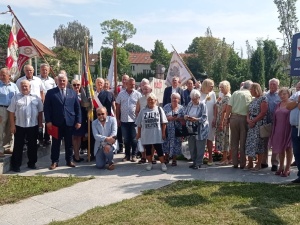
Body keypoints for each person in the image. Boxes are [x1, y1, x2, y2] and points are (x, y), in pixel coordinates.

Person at [44, 73, 82, 170]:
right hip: (56, 123)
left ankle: (69, 160)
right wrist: (48, 121)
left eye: (63, 80)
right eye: (60, 80)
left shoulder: (72, 93)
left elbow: (77, 108)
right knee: (56, 143)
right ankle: (54, 161)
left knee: (69, 143)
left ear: (66, 81)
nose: (62, 82)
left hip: (69, 122)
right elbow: (46, 108)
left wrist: (78, 121)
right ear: (57, 81)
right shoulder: (51, 93)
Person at [7, 80, 43, 172]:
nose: (24, 87)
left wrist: (40, 125)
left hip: (33, 125)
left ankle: (32, 163)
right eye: (22, 86)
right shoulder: (16, 97)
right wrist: (12, 125)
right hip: (19, 125)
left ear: (29, 87)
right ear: (20, 87)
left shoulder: (36, 98)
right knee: (18, 146)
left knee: (32, 146)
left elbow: (40, 112)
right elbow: (11, 112)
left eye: (26, 86)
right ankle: (16, 165)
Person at [136, 93, 168, 172]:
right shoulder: (143, 110)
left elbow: (164, 123)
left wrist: (163, 133)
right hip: (146, 134)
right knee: (148, 149)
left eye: (152, 100)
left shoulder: (159, 109)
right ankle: (149, 163)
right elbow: (139, 124)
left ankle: (162, 163)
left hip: (157, 133)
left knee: (159, 149)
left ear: (155, 101)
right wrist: (139, 134)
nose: (150, 101)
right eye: (149, 100)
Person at [225, 80, 253, 169]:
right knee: (243, 141)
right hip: (244, 119)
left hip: (233, 118)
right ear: (250, 87)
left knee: (234, 141)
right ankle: (242, 163)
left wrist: (227, 118)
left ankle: (235, 162)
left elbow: (229, 107)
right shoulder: (250, 95)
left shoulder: (235, 93)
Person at [116, 77, 142, 162]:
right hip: (124, 120)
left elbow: (140, 107)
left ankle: (134, 155)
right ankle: (127, 155)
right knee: (126, 139)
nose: (132, 86)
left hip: (135, 120)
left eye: (134, 84)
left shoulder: (138, 94)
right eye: (131, 84)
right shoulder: (121, 94)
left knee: (134, 139)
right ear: (126, 84)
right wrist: (117, 119)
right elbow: (117, 107)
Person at [245, 83, 268, 171]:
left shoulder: (263, 99)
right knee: (250, 143)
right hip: (251, 124)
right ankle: (250, 162)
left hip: (259, 124)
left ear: (256, 89)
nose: (250, 91)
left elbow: (263, 113)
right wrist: (248, 119)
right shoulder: (253, 100)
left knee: (259, 144)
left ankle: (258, 164)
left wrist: (254, 121)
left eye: (251, 89)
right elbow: (249, 111)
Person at [269, 87, 292, 177]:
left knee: (288, 148)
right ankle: (281, 167)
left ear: (288, 94)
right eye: (280, 94)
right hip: (278, 128)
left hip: (288, 128)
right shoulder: (278, 104)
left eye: (284, 94)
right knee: (280, 149)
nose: (282, 96)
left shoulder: (291, 104)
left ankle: (287, 169)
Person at [184, 89, 209, 169]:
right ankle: (194, 162)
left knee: (200, 147)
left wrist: (196, 119)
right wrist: (186, 117)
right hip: (190, 128)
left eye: (195, 99)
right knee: (192, 146)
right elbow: (185, 113)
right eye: (192, 99)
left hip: (200, 129)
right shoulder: (190, 104)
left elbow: (204, 117)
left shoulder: (202, 105)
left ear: (199, 97)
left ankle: (198, 163)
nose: (193, 100)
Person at [262, 78, 281, 171]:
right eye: (271, 84)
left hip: (277, 123)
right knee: (265, 142)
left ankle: (274, 163)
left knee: (276, 143)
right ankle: (264, 162)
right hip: (266, 122)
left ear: (278, 85)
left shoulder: (280, 96)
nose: (272, 86)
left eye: (274, 84)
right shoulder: (265, 95)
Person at [0, 68, 19, 157]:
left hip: (12, 110)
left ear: (9, 76)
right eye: (1, 75)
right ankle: (0, 149)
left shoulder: (14, 86)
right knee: (0, 129)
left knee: (10, 129)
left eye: (4, 75)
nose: (2, 77)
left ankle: (7, 148)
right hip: (1, 109)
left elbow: (17, 98)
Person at [162, 93, 184, 166]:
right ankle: (166, 158)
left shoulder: (181, 108)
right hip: (167, 129)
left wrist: (177, 118)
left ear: (179, 100)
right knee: (166, 143)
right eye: (173, 98)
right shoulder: (166, 107)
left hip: (177, 130)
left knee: (176, 144)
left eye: (176, 98)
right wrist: (168, 118)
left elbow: (184, 119)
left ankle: (174, 160)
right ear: (171, 99)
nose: (174, 100)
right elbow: (162, 118)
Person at [135, 84, 155, 164]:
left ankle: (152, 157)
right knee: (142, 140)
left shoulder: (154, 98)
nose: (145, 91)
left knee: (152, 141)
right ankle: (143, 157)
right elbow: (137, 111)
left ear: (150, 90)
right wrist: (139, 118)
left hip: (152, 123)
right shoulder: (140, 99)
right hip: (143, 124)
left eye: (147, 89)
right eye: (144, 89)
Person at [37, 63, 56, 146]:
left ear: (48, 71)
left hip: (49, 103)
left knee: (48, 119)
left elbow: (55, 91)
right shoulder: (36, 79)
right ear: (40, 70)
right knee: (39, 121)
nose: (44, 71)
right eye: (43, 69)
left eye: (46, 70)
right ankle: (39, 138)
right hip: (38, 101)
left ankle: (47, 138)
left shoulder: (52, 80)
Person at [200, 79, 216, 165]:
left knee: (210, 138)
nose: (212, 88)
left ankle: (210, 158)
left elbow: (215, 106)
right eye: (211, 86)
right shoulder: (198, 93)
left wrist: (215, 118)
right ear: (205, 85)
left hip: (211, 119)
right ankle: (200, 157)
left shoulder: (213, 94)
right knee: (201, 139)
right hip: (201, 120)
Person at [215, 81, 231, 165]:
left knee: (225, 139)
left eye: (222, 87)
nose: (220, 89)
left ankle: (225, 158)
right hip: (220, 119)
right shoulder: (223, 97)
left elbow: (225, 111)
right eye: (220, 87)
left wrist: (221, 123)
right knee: (223, 139)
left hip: (223, 121)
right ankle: (225, 158)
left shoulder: (227, 97)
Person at [71, 79, 87, 162]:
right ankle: (76, 155)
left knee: (79, 137)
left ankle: (77, 154)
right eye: (74, 85)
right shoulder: (70, 95)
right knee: (74, 137)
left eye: (78, 85)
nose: (76, 86)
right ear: (72, 86)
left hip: (82, 118)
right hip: (73, 119)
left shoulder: (83, 95)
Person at [286, 89, 300, 183]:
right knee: (297, 152)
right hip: (295, 128)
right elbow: (288, 106)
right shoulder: (296, 94)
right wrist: (298, 100)